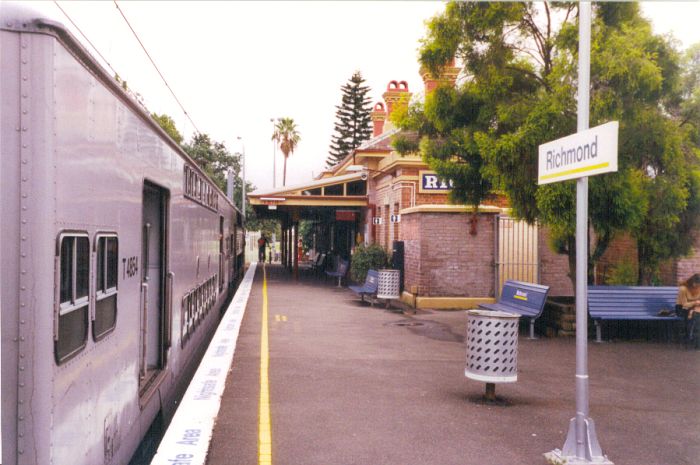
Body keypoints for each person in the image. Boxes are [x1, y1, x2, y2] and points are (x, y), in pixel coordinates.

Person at [676, 273, 700, 347]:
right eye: (697, 284)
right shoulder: (683, 289)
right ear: (692, 282)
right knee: (693, 314)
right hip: (681, 308)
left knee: (695, 313)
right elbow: (684, 304)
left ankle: (692, 338)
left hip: (695, 308)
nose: (698, 286)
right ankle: (689, 337)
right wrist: (695, 302)